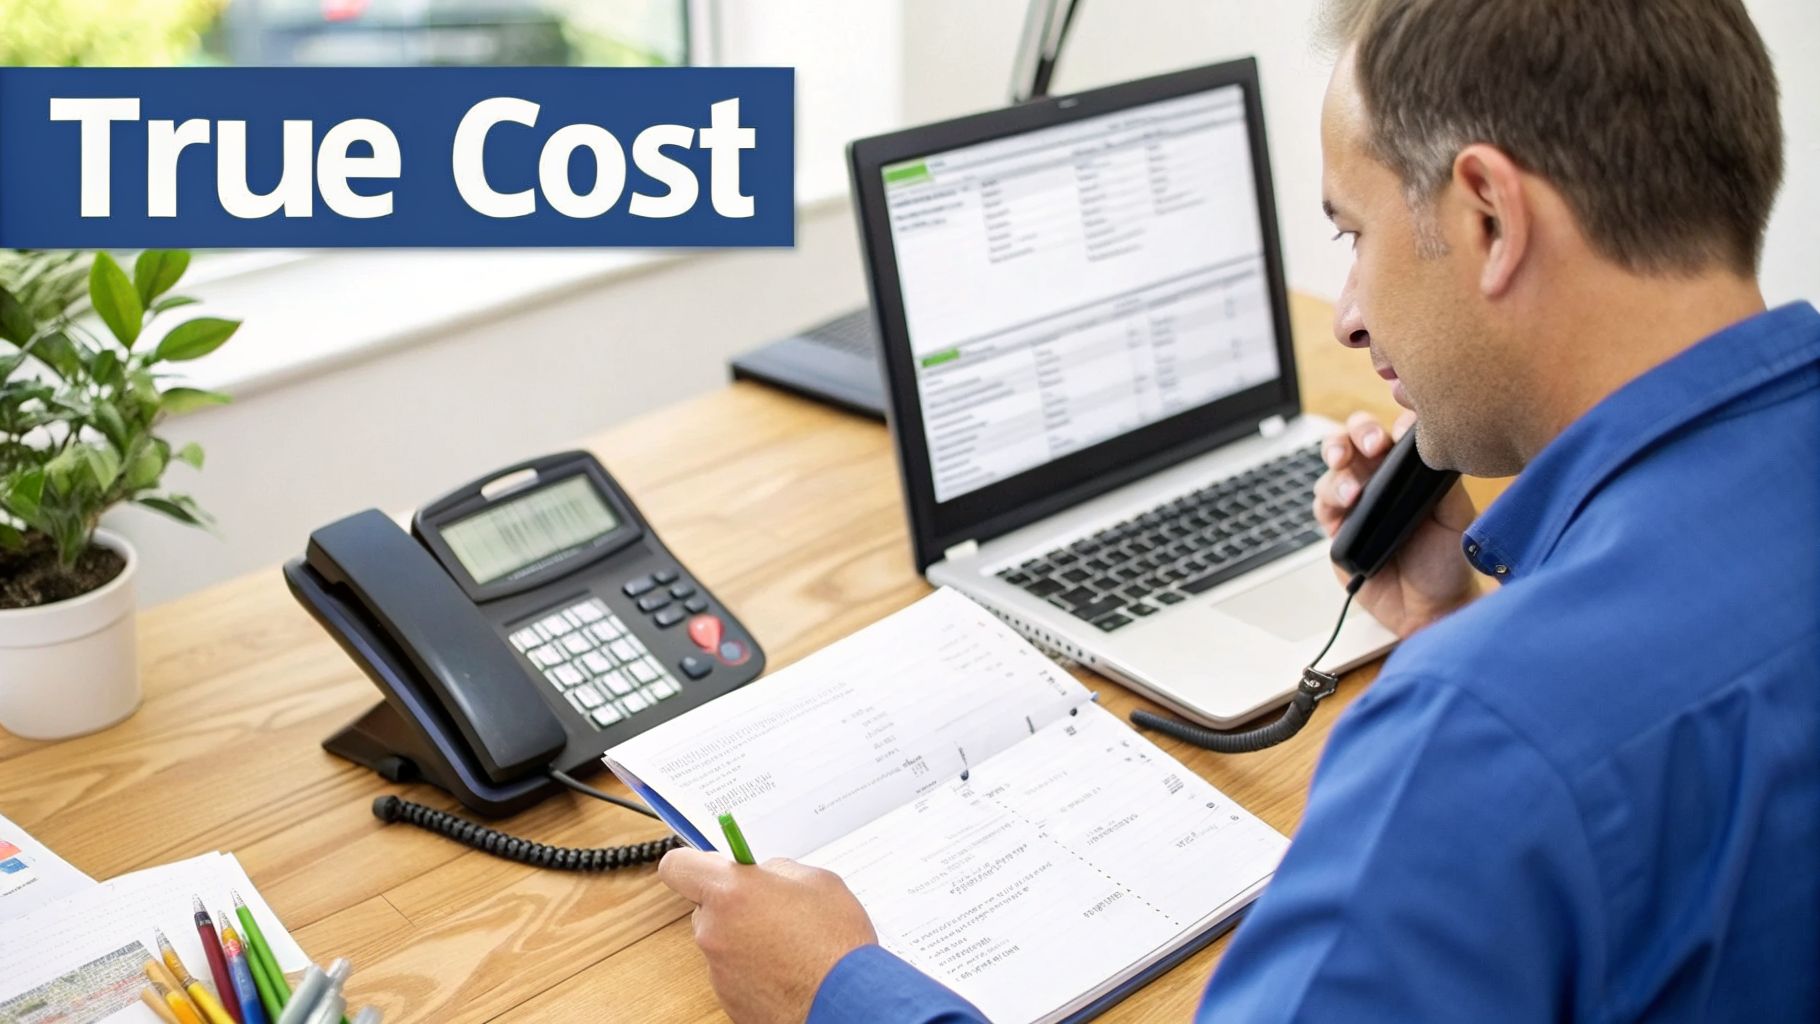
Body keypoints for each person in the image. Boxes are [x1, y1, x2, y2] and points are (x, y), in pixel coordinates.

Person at [656, 0, 1820, 1019]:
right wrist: (1460, 621)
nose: (1347, 318)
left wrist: (837, 989)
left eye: (1351, 235)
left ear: (1489, 217)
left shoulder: (1476, 747)